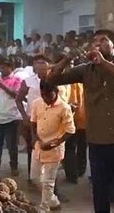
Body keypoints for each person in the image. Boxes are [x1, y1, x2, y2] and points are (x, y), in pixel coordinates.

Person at [48, 29, 114, 212]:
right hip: (98, 141)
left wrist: (103, 63)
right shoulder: (84, 70)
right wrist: (66, 59)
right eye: (95, 41)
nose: (98, 44)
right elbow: (52, 80)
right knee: (100, 190)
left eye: (103, 40)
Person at [30, 80, 75, 212]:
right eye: (43, 95)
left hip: (54, 150)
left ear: (56, 92)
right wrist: (35, 140)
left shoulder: (64, 108)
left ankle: (44, 208)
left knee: (47, 183)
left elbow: (70, 130)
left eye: (49, 96)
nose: (46, 99)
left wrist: (54, 143)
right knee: (35, 178)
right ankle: (54, 202)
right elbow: (33, 122)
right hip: (38, 147)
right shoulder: (37, 103)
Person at [16, 55, 50, 180]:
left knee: (49, 150)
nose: (40, 65)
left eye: (43, 62)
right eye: (38, 62)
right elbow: (19, 99)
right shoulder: (28, 81)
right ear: (34, 65)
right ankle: (32, 177)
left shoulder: (54, 79)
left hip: (50, 119)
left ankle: (47, 179)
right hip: (33, 120)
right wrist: (24, 116)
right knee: (33, 148)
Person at [0, 57, 22, 176]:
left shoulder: (16, 79)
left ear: (11, 68)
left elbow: (16, 95)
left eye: (5, 67)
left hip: (11, 117)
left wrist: (1, 85)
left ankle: (14, 166)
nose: (2, 69)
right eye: (1, 67)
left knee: (12, 145)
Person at [64, 81, 87, 184]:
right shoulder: (85, 81)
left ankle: (72, 174)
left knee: (70, 147)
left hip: (74, 119)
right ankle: (79, 170)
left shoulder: (70, 83)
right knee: (81, 146)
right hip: (82, 120)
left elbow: (74, 103)